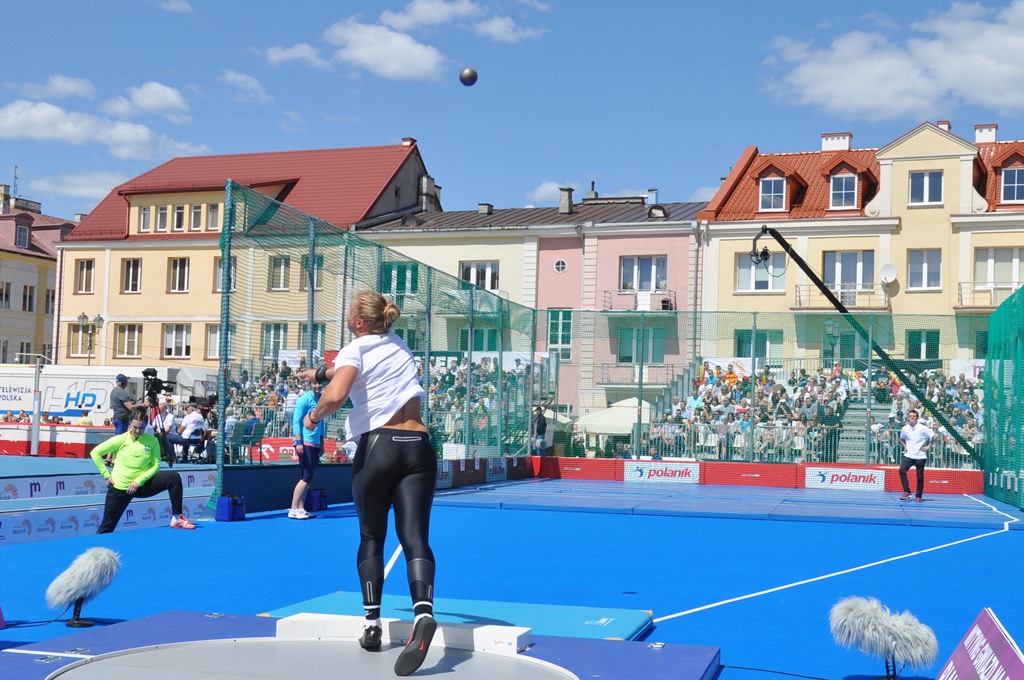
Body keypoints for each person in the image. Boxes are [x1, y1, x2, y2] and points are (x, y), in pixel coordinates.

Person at [298, 290, 437, 676]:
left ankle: (372, 625)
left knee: (372, 536)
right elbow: (352, 369)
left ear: (358, 322)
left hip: (380, 446)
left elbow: (337, 394)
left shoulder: (354, 349)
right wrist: (320, 373)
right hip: (419, 447)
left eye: (350, 309)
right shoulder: (400, 345)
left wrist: (312, 418)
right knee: (415, 537)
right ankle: (423, 613)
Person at [89, 405, 196, 533]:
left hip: (141, 485)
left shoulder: (152, 441)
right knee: (107, 527)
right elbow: (95, 453)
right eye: (135, 427)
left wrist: (138, 481)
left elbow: (155, 465)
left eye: (141, 427)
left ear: (146, 426)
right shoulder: (120, 439)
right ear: (130, 424)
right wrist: (106, 475)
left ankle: (177, 518)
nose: (138, 430)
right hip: (121, 486)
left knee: (174, 477)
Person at [289, 383, 325, 520]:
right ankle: (293, 509)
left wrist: (322, 444)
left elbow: (322, 424)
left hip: (315, 443)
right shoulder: (304, 399)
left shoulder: (322, 400)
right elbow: (296, 421)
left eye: (319, 383)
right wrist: (299, 442)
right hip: (305, 442)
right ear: (310, 384)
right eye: (315, 383)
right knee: (306, 475)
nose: (317, 385)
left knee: (307, 476)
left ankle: (301, 508)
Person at [899, 409, 936, 502]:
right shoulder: (905, 428)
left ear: (917, 418)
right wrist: (905, 446)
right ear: (908, 418)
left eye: (914, 416)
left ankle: (918, 495)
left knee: (919, 476)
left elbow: (934, 436)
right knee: (902, 470)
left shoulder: (922, 428)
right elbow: (901, 438)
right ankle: (907, 491)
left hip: (920, 456)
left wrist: (928, 446)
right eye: (910, 416)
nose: (912, 417)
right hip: (909, 455)